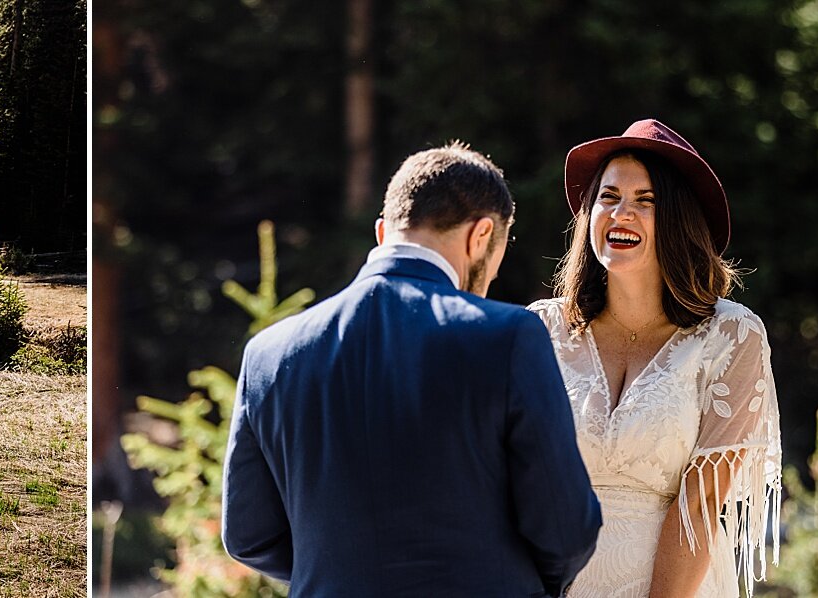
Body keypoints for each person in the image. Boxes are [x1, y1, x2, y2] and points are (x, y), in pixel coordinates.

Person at [222, 142, 602, 596]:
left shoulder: (269, 354)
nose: (490, 278)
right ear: (480, 235)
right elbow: (565, 526)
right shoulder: (508, 337)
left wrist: (340, 573)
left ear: (384, 232)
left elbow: (248, 534)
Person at [528, 119, 781, 596]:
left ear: (678, 220)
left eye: (647, 201)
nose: (622, 213)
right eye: (609, 196)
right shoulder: (541, 329)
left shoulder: (729, 336)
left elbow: (704, 503)